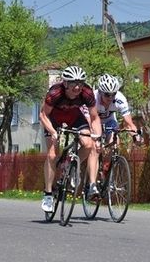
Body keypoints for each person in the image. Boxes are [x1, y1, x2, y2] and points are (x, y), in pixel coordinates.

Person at [39, 65, 102, 212]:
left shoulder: (86, 92)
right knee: (53, 154)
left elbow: (94, 117)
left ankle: (73, 168)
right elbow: (43, 115)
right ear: (66, 83)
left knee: (88, 144)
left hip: (74, 117)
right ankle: (48, 194)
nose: (77, 87)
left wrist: (97, 137)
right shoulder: (55, 93)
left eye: (80, 83)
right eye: (74, 83)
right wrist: (53, 132)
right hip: (53, 120)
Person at [94, 74, 142, 144]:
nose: (110, 97)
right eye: (107, 94)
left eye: (113, 94)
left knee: (114, 141)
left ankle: (111, 154)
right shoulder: (93, 99)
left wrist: (135, 136)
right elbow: (90, 120)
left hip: (109, 121)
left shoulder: (120, 99)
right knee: (92, 145)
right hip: (93, 122)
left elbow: (129, 123)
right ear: (100, 92)